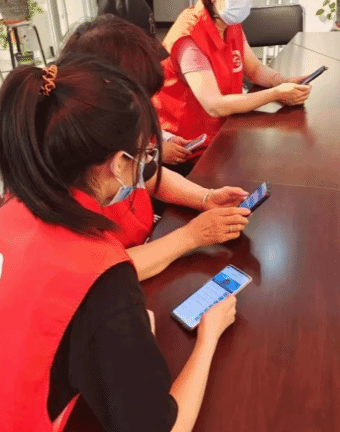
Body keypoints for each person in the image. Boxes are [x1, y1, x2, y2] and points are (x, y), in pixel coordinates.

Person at [0, 56, 239, 432]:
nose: (148, 167)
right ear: (118, 164)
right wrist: (207, 337)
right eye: (144, 156)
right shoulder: (99, 275)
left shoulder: (15, 208)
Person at [61, 15, 252, 281]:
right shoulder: (65, 171)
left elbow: (149, 174)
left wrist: (205, 198)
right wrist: (191, 236)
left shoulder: (113, 135)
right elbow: (102, 271)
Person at [154, 0, 312, 176]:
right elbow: (214, 105)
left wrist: (282, 81)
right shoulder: (189, 37)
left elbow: (254, 69)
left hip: (224, 131)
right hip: (186, 148)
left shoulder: (230, 23)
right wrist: (276, 94)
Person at [95, 2, 193, 167]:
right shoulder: (90, 96)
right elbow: (108, 159)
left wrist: (164, 139)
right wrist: (154, 153)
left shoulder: (127, 82)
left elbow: (137, 127)